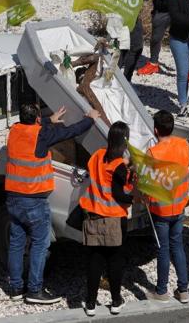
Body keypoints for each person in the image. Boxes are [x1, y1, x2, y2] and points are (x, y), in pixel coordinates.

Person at [5, 104, 100, 304]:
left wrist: (49, 120)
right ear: (38, 119)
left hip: (13, 198)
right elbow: (70, 131)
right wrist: (90, 118)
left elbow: (33, 126)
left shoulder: (14, 130)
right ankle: (34, 291)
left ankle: (15, 288)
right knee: (40, 244)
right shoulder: (41, 136)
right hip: (34, 200)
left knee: (16, 243)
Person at [79, 121, 135, 316]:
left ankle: (91, 303)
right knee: (114, 262)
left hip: (93, 216)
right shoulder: (120, 167)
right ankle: (116, 301)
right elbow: (119, 195)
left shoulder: (96, 156)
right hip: (114, 220)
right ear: (125, 141)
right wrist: (134, 197)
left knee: (94, 261)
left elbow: (101, 173)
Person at [145, 110, 189, 304]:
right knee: (178, 247)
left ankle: (162, 291)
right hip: (179, 205)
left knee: (163, 249)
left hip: (161, 209)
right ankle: (183, 290)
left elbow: (147, 181)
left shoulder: (153, 153)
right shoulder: (183, 144)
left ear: (155, 130)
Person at [118, 17, 144, 82]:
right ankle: (125, 83)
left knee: (122, 48)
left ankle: (110, 78)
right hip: (129, 13)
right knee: (135, 48)